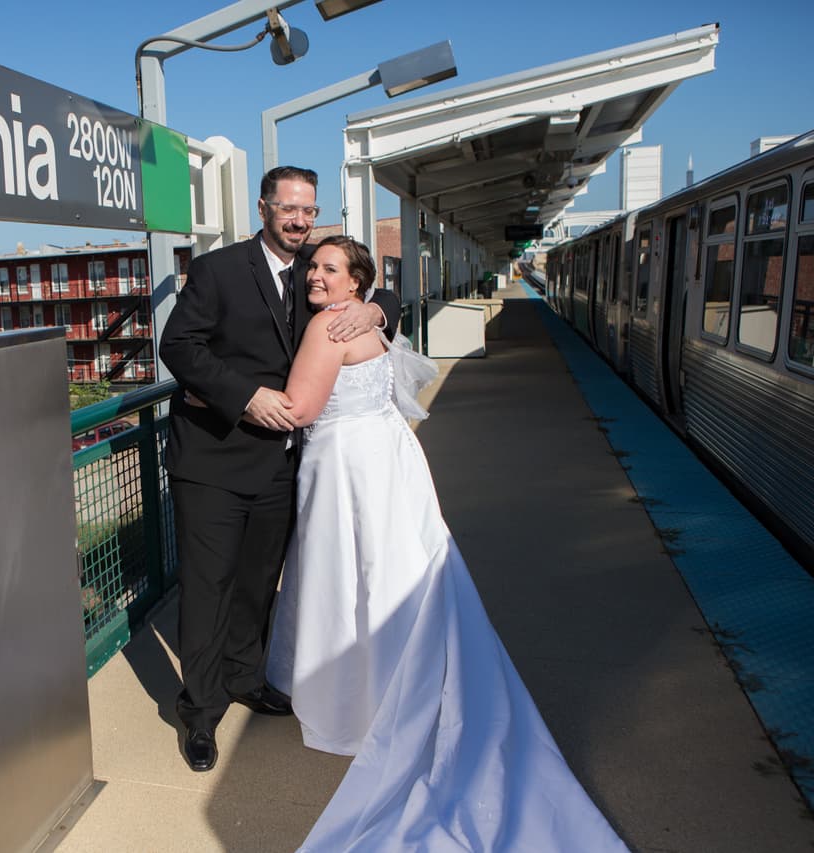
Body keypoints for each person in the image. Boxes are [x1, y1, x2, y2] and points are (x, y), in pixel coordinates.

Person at [265, 235, 628, 851]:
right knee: (392, 573)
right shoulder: (373, 324)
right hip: (389, 462)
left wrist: (235, 399)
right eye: (312, 270)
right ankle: (395, 687)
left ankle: (353, 703)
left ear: (356, 283)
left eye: (328, 270)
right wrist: (378, 306)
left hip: (347, 467)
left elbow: (299, 408)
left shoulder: (327, 329)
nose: (314, 279)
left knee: (343, 576)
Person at [159, 166, 401, 773]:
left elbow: (381, 293)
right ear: (264, 206)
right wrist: (245, 396)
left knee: (256, 581)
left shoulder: (314, 273)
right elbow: (179, 346)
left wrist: (375, 314)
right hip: (213, 460)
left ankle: (245, 678)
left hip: (281, 465)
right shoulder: (218, 270)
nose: (299, 220)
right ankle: (200, 711)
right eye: (289, 208)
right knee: (208, 588)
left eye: (309, 211)